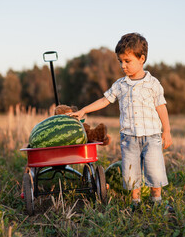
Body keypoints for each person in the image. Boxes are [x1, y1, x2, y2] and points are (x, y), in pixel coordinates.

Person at [67, 32, 172, 208]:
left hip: (152, 136)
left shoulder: (153, 83)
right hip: (129, 138)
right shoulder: (120, 85)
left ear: (142, 58)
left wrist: (167, 131)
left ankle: (157, 202)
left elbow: (161, 107)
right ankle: (135, 202)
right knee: (131, 173)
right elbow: (104, 100)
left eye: (127, 61)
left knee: (155, 170)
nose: (123, 65)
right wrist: (85, 110)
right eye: (120, 61)